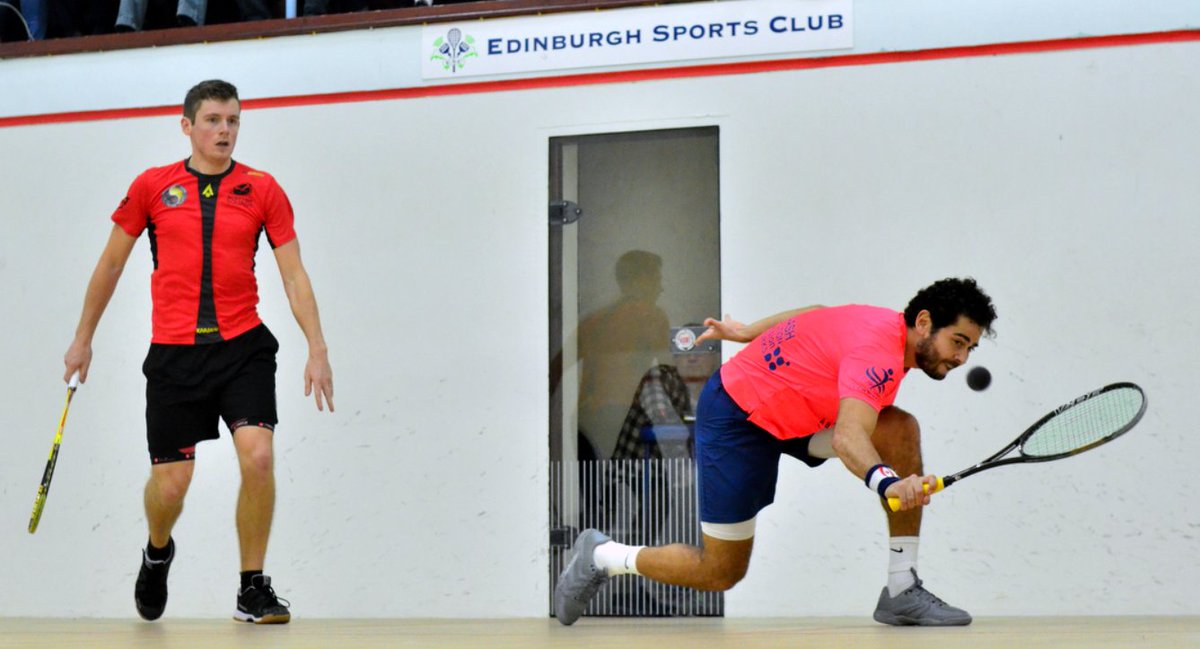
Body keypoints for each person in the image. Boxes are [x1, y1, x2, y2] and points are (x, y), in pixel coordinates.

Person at [555, 277, 997, 627]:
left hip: (797, 419)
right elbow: (847, 437)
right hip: (738, 419)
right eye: (958, 341)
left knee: (899, 428)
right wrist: (888, 483)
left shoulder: (881, 323)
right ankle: (602, 556)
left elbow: (816, 312)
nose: (962, 358)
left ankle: (902, 587)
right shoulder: (877, 355)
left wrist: (746, 331)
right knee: (720, 571)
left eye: (969, 348)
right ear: (924, 323)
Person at [62, 79, 333, 625]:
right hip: (174, 356)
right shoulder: (152, 187)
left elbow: (293, 274)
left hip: (243, 349)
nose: (224, 130)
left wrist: (317, 346)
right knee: (171, 486)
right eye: (212, 120)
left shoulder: (263, 189)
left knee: (258, 455)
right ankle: (157, 551)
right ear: (187, 126)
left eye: (232, 121)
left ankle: (251, 588)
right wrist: (83, 337)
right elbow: (111, 264)